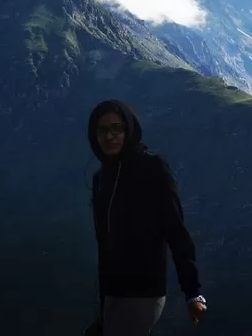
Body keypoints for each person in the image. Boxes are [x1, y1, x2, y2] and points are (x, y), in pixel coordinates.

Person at [85, 100, 207, 336]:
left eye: (116, 128)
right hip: (114, 293)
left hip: (144, 291)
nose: (110, 136)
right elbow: (104, 245)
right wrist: (104, 304)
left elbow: (176, 231)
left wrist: (192, 291)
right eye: (102, 130)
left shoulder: (153, 168)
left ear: (129, 129)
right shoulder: (101, 179)